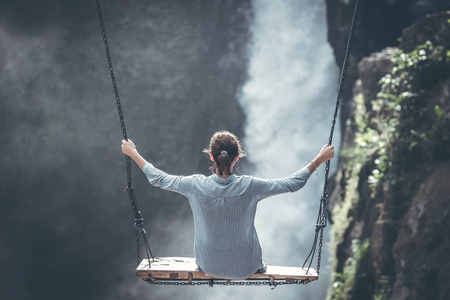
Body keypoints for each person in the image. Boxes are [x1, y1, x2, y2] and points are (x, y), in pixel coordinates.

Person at [121, 130, 334, 279]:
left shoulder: (195, 185)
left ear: (211, 157)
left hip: (208, 265)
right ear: (237, 158)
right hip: (247, 268)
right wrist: (319, 159)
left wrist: (133, 153)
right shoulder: (250, 186)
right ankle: (257, 264)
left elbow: (159, 179)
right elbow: (292, 184)